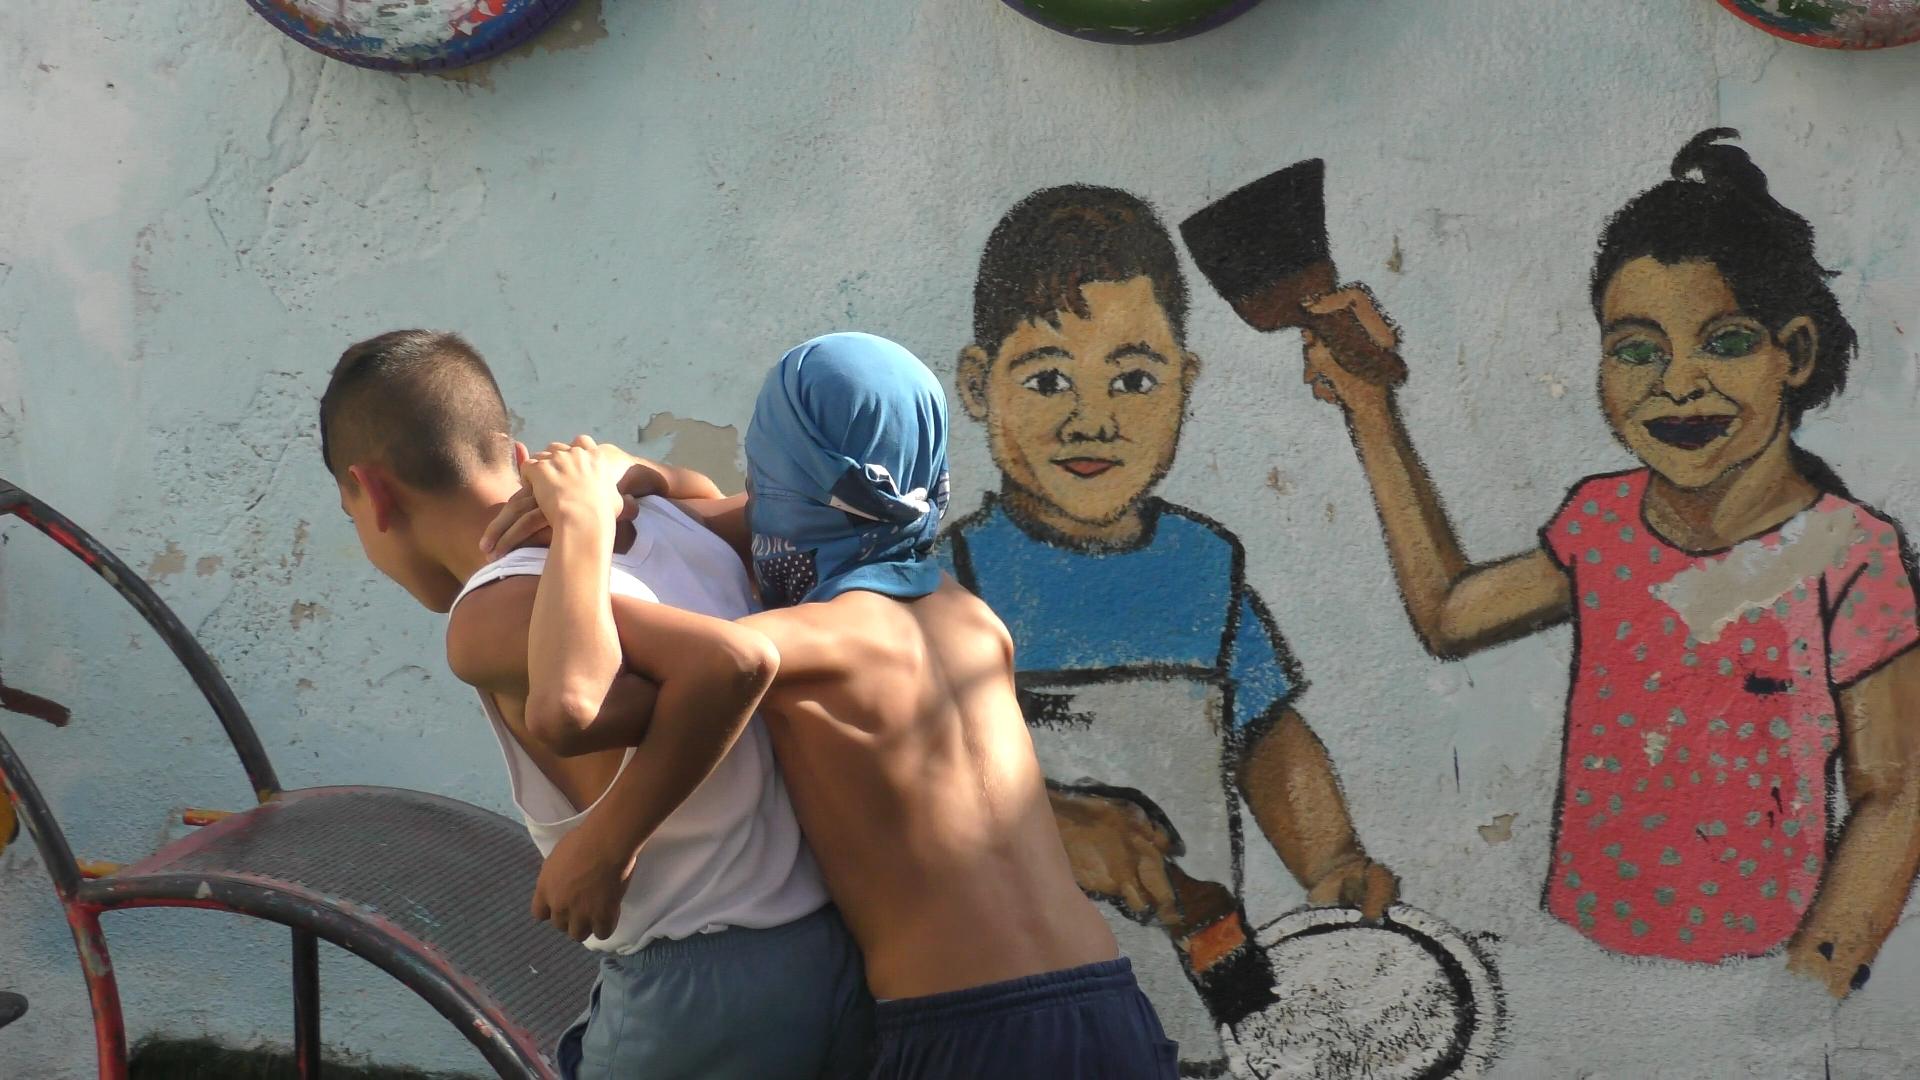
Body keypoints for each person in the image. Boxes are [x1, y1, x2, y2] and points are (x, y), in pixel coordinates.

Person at [1301, 129, 1920, 996]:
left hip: (1762, 973)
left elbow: (1896, 794)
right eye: (1636, 350)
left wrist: (1813, 982)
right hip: (1581, 954)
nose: (1677, 382)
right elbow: (1448, 615)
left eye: (1727, 341)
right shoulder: (1600, 524)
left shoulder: (1849, 552)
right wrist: (1369, 406)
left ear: (1797, 354)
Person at [485, 332, 1180, 1079]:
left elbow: (664, 678)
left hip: (967, 1030)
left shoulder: (811, 643)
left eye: (762, 470)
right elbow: (737, 510)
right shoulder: (976, 623)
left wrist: (607, 844)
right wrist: (630, 470)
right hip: (1108, 1003)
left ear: (791, 490)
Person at [318, 330, 870, 1079]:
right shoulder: (658, 521)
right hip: (835, 948)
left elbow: (726, 666)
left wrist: (607, 846)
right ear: (516, 456)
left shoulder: (493, 614)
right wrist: (630, 471)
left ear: (372, 493)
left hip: (700, 987)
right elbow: (717, 502)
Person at [940, 184, 1396, 1068]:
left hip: (1191, 1008)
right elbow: (893, 775)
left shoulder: (1205, 568)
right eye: (1046, 378)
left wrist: (1333, 862)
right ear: (975, 385)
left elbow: (1266, 736)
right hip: (1015, 1004)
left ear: (1186, 384)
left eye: (1135, 377)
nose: (1093, 415)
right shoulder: (951, 584)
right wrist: (1045, 822)